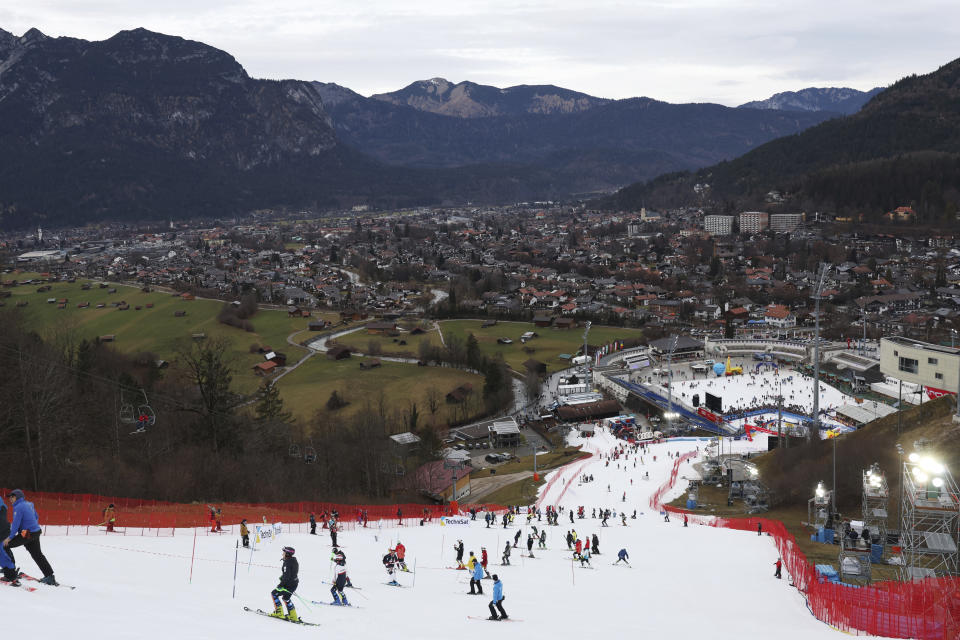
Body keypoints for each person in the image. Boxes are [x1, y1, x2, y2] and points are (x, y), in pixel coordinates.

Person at [3, 490, 55, 585]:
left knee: (4, 545)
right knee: (37, 554)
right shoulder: (29, 504)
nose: (10, 499)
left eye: (12, 497)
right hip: (35, 531)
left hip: (27, 532)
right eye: (9, 497)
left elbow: (15, 524)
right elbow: (36, 516)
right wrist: (31, 526)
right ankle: (50, 576)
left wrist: (9, 538)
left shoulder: (18, 507)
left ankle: (10, 572)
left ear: (18, 497)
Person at [270, 546, 299, 621]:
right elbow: (291, 573)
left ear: (287, 554)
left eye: (284, 552)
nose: (282, 554)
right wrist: (282, 577)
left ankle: (279, 613)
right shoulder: (293, 560)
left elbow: (287, 576)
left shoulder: (287, 562)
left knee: (274, 593)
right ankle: (293, 616)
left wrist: (280, 585)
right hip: (294, 583)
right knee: (286, 598)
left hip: (288, 584)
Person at [0, 495, 13, 569]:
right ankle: (10, 568)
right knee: (5, 548)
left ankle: (10, 569)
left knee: (4, 549)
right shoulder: (3, 507)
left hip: (28, 532)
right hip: (6, 530)